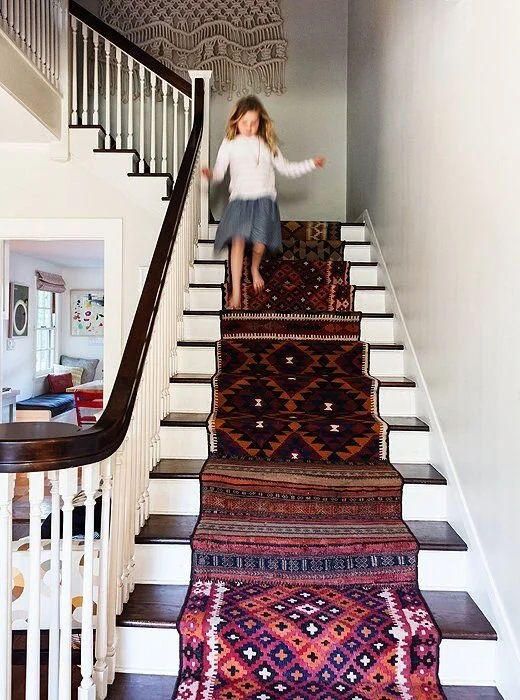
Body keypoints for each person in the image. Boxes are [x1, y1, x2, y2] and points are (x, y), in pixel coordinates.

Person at [202, 95, 325, 309]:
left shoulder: (268, 144)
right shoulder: (230, 143)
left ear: (261, 122)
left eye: (254, 122)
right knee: (238, 242)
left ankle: (254, 268)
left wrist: (311, 164)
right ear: (236, 121)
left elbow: (287, 168)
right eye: (244, 122)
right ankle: (236, 293)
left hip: (264, 200)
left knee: (260, 245)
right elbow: (220, 173)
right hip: (239, 200)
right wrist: (211, 174)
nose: (249, 127)